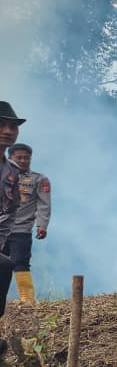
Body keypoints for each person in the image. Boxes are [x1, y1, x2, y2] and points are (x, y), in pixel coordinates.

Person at [2, 143, 52, 305]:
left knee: (20, 262)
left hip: (20, 230)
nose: (23, 161)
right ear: (10, 158)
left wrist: (42, 224)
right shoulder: (2, 176)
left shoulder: (39, 179)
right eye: (19, 158)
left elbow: (44, 204)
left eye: (26, 158)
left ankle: (27, 301)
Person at [0, 101, 28, 353]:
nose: (7, 130)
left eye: (12, 126)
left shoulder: (12, 172)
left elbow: (10, 211)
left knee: (5, 264)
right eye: (1, 125)